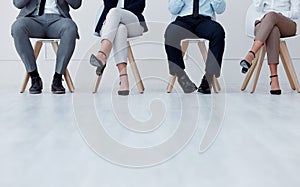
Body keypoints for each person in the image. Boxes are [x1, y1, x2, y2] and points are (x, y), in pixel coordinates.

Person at [11, 0, 81, 94]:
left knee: (70, 27)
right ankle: (34, 76)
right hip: (33, 19)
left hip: (58, 20)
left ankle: (58, 78)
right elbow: (18, 4)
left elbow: (76, 4)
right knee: (18, 27)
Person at [164, 0, 226, 94]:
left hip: (204, 21)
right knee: (171, 32)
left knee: (218, 32)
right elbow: (173, 10)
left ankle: (209, 77)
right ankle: (181, 76)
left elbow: (220, 10)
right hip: (183, 21)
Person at [240, 0, 300, 95]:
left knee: (272, 16)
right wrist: (270, 19)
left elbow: (296, 13)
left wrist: (277, 15)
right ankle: (274, 78)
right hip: (264, 24)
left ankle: (251, 54)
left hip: (286, 24)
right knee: (273, 30)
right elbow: (257, 7)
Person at [90, 0, 148, 96]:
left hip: (132, 22)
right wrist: (114, 19)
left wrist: (118, 14)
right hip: (109, 24)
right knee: (120, 29)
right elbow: (108, 4)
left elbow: (139, 6)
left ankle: (102, 54)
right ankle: (124, 79)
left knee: (114, 12)